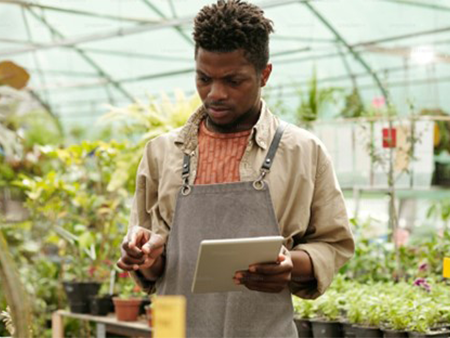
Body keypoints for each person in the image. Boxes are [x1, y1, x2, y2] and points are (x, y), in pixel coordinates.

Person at [117, 1, 354, 337]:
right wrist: (144, 255)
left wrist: (292, 265)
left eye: (233, 80)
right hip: (174, 328)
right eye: (203, 78)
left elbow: (333, 242)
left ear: (264, 74)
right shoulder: (161, 153)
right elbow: (152, 264)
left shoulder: (303, 152)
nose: (215, 94)